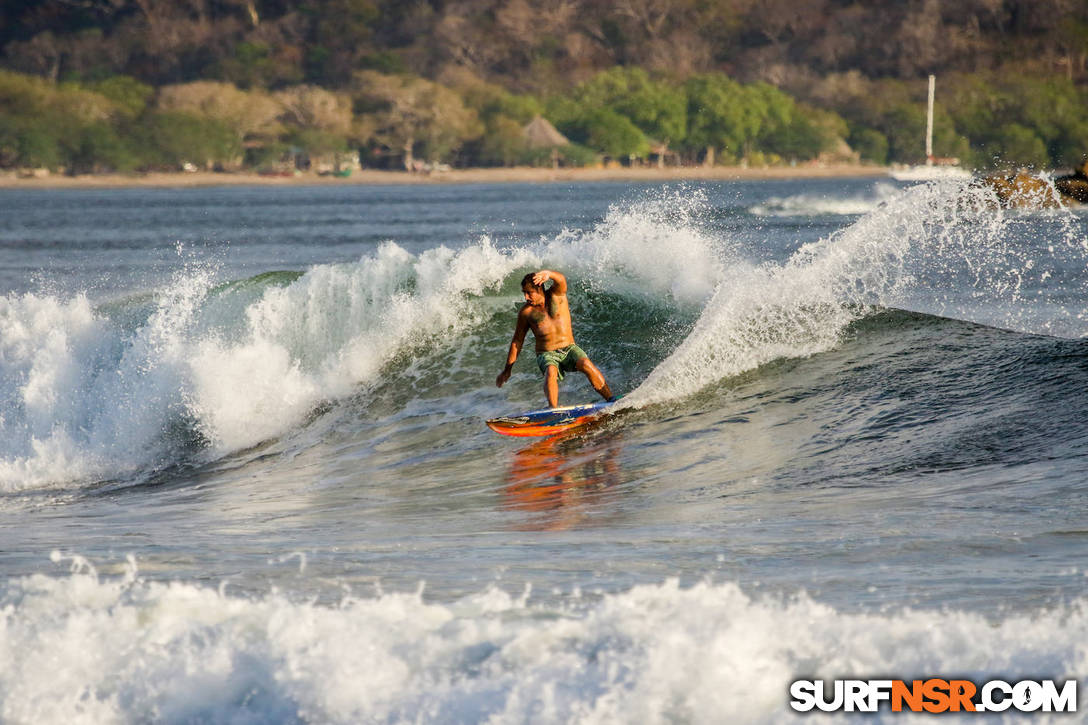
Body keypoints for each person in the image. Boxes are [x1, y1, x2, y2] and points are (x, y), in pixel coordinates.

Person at [496, 269, 614, 407]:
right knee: (551, 371)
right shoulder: (526, 313)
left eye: (529, 293)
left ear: (539, 289)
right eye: (524, 293)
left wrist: (548, 274)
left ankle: (611, 400)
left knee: (586, 364)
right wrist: (507, 369)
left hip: (569, 348)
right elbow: (517, 341)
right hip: (547, 354)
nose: (526, 297)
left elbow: (561, 280)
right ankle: (554, 409)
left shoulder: (557, 295)